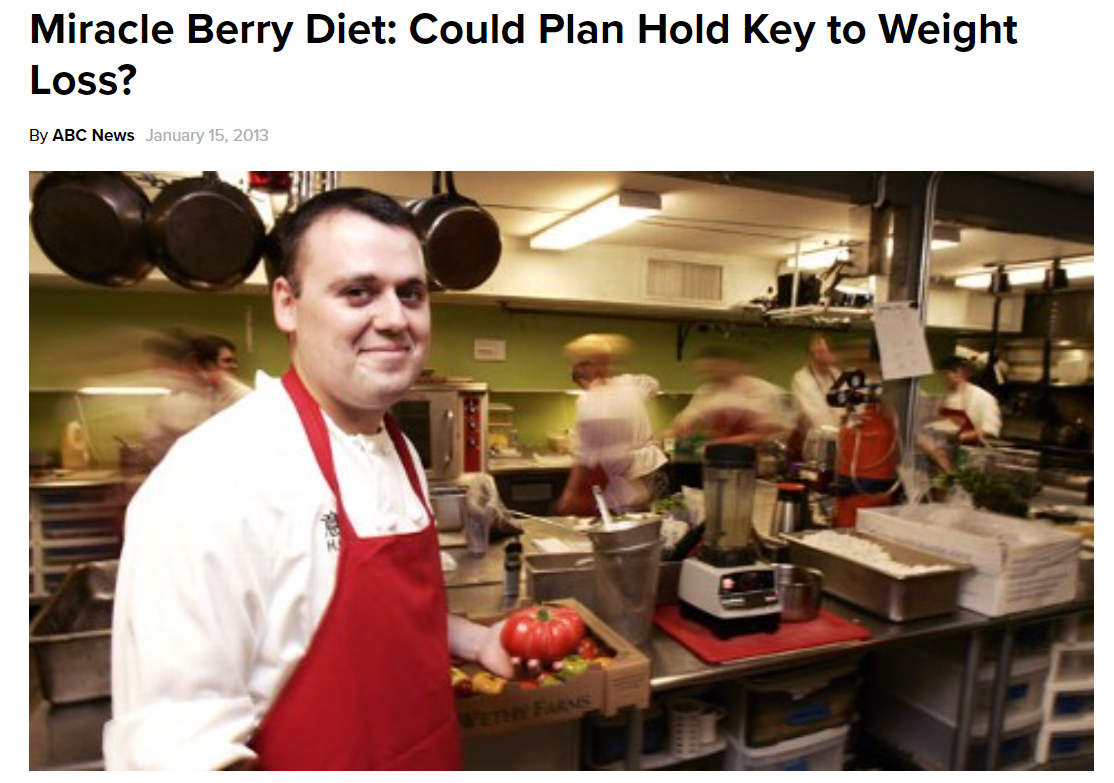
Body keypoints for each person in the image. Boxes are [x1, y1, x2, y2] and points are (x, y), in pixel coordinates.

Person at [106, 189, 512, 771]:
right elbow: (175, 754)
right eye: (358, 292)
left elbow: (331, 621)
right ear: (287, 304)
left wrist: (476, 642)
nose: (395, 319)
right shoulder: (212, 480)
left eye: (411, 293)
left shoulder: (398, 451)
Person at [555, 333, 668, 516]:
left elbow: (589, 459)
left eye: (579, 364)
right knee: (651, 522)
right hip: (652, 469)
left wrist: (571, 494)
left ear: (588, 369)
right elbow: (653, 384)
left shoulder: (593, 401)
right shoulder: (629, 383)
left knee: (627, 527)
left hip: (626, 476)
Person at [669, 346, 790, 446]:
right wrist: (674, 432)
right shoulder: (707, 391)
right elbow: (684, 423)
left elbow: (767, 433)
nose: (709, 375)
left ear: (730, 365)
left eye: (713, 368)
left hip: (760, 458)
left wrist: (722, 442)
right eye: (704, 372)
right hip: (721, 458)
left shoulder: (763, 390)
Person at [937, 355, 1003, 444]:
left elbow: (989, 430)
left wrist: (960, 437)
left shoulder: (983, 397)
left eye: (947, 373)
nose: (943, 378)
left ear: (960, 373)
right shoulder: (945, 396)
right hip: (945, 448)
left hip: (969, 450)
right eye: (942, 374)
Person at [791, 333, 842, 431]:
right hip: (818, 437)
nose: (819, 356)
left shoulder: (837, 374)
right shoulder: (802, 378)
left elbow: (849, 406)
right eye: (817, 352)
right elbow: (817, 415)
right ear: (810, 355)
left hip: (843, 433)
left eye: (823, 351)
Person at [192, 333, 253, 410]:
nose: (235, 366)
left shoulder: (242, 394)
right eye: (227, 361)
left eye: (233, 361)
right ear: (209, 365)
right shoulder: (187, 397)